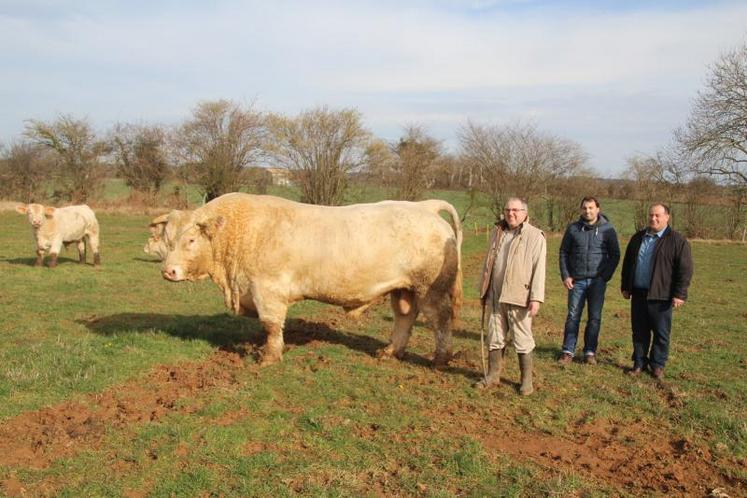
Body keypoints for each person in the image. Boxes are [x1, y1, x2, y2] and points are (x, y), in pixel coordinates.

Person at [475, 197, 546, 395]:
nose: (511, 214)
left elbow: (539, 269)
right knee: (495, 336)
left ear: (524, 213)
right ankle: (492, 376)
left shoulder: (534, 236)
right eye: (507, 210)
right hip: (496, 295)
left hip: (519, 296)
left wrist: (536, 298)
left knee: (522, 339)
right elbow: (488, 263)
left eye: (515, 210)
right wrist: (484, 288)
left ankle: (526, 381)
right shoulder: (497, 232)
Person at [620, 203, 693, 379]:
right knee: (639, 332)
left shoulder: (677, 241)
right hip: (638, 293)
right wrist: (625, 286)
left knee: (661, 333)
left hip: (662, 295)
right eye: (651, 215)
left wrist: (680, 294)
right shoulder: (637, 238)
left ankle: (657, 365)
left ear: (667, 217)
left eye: (657, 215)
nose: (653, 218)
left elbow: (685, 269)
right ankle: (639, 363)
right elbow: (628, 263)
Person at [557, 197, 620, 365]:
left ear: (598, 209)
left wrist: (604, 276)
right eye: (584, 208)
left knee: (594, 318)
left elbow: (615, 255)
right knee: (572, 316)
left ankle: (589, 352)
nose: (588, 211)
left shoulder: (608, 229)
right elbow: (563, 252)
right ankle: (567, 351)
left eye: (591, 208)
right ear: (581, 210)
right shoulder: (573, 229)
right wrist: (566, 275)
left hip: (597, 282)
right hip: (576, 281)